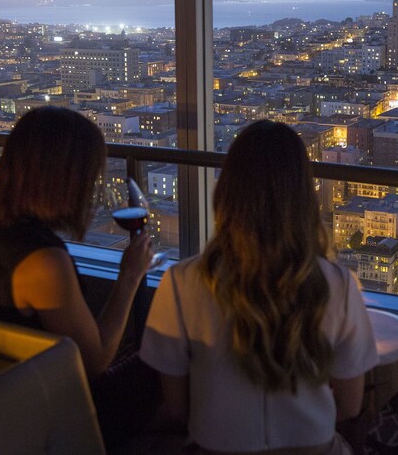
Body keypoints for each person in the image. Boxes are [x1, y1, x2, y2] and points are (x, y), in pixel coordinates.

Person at [140, 120, 379, 454]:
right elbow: (351, 407)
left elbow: (177, 409)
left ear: (226, 193)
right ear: (302, 198)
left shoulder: (180, 283)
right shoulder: (338, 284)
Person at [0, 106, 157, 450]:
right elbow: (94, 363)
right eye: (90, 177)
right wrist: (130, 276)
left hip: (13, 398)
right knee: (173, 363)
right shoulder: (44, 262)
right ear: (65, 180)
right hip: (53, 414)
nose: (94, 188)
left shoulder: (3, 232)